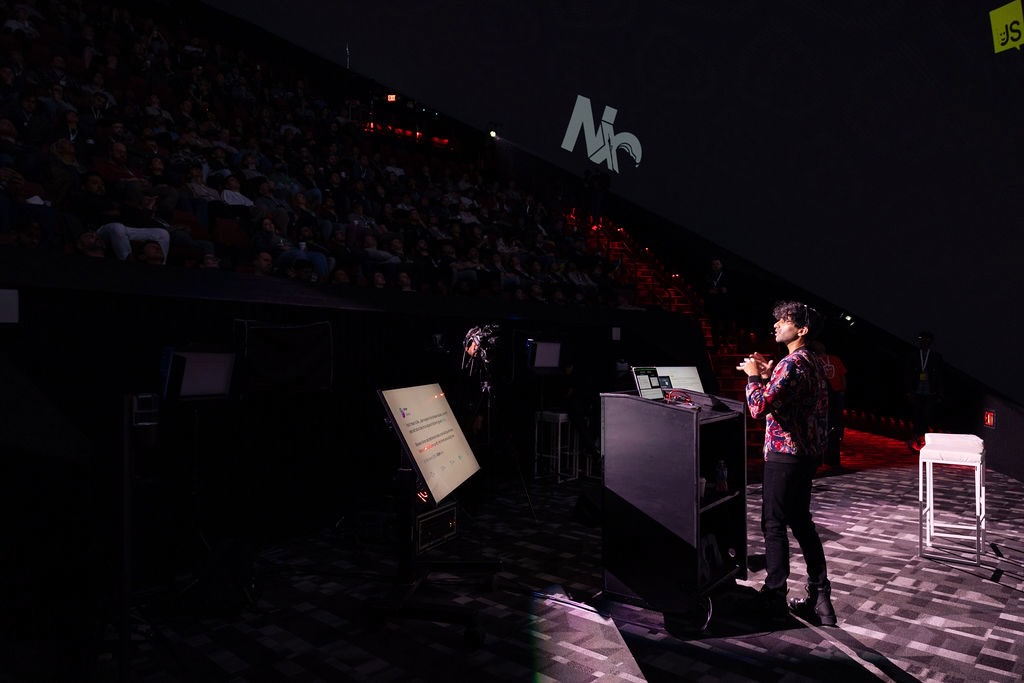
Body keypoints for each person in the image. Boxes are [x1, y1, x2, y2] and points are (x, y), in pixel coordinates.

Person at [737, 301, 835, 626]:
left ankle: (773, 595)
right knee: (801, 522)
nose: (776, 325)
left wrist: (753, 378)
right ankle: (821, 597)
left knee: (774, 524)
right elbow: (789, 396)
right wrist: (769, 374)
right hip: (807, 455)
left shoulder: (791, 363)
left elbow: (758, 407)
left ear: (802, 329)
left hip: (784, 454)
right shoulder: (814, 361)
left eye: (784, 320)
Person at [904, 331, 943, 451]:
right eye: (921, 339)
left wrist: (939, 393)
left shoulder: (935, 356)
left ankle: (924, 441)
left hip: (930, 392)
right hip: (917, 391)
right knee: (916, 416)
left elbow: (940, 376)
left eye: (926, 340)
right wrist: (909, 391)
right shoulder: (914, 355)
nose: (924, 342)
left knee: (927, 417)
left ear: (930, 342)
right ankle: (915, 440)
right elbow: (908, 374)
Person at [811, 341, 847, 468]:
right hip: (834, 395)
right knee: (834, 425)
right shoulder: (834, 359)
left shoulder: (814, 360)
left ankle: (823, 457)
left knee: (822, 426)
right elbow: (842, 378)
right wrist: (842, 391)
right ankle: (832, 457)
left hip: (823, 396)